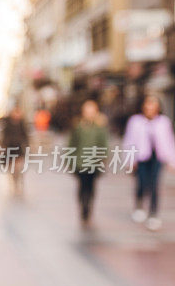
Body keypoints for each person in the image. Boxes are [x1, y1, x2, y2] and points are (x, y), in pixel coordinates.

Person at [122, 94, 175, 231]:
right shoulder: (135, 121)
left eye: (153, 104)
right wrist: (129, 160)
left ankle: (153, 214)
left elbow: (169, 142)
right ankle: (139, 206)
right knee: (142, 182)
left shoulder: (164, 122)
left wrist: (172, 161)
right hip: (141, 157)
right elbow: (129, 140)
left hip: (157, 158)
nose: (150, 107)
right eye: (148, 103)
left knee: (154, 185)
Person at [67, 100, 109, 224]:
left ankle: (88, 206)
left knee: (91, 187)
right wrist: (69, 160)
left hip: (94, 163)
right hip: (80, 162)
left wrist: (103, 159)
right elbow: (72, 144)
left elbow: (104, 145)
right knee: (81, 186)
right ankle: (83, 206)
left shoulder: (100, 127)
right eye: (87, 111)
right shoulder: (78, 126)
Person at [1, 105, 29, 196]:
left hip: (19, 149)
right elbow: (4, 137)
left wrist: (27, 146)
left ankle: (19, 183)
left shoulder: (22, 124)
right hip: (9, 149)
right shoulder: (7, 124)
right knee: (12, 169)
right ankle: (14, 183)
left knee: (19, 168)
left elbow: (25, 136)